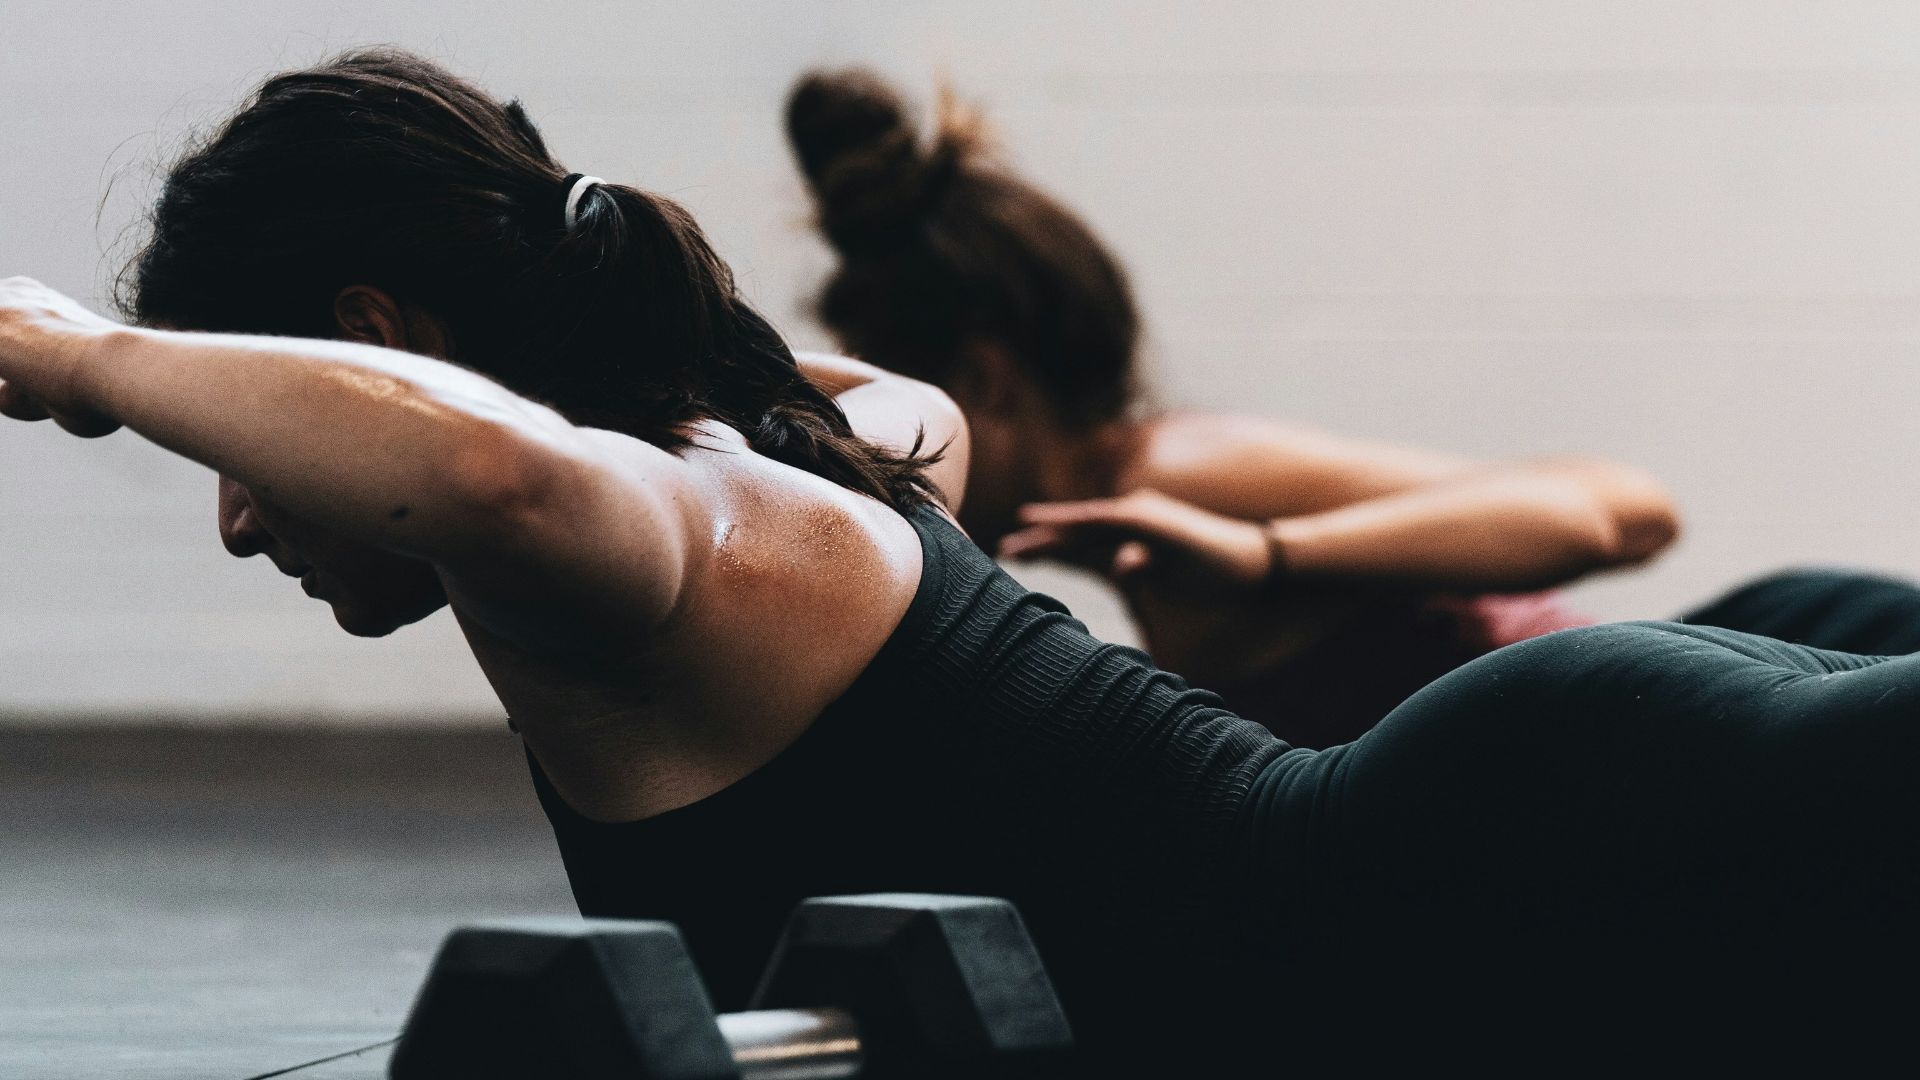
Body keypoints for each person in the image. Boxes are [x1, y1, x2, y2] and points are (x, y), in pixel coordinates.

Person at [5, 50, 1915, 1066]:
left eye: (231, 436)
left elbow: (502, 482)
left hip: (1505, 880)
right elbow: (871, 390)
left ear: (377, 343)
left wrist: (90, 363)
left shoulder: (669, 525)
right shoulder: (811, 440)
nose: (238, 504)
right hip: (1545, 819)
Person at [786, 70, 1920, 748]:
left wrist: (1270, 557)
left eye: (893, 411)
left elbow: (1622, 512)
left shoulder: (1178, 475)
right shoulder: (1142, 530)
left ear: (987, 381)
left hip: (1740, 701)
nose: (879, 457)